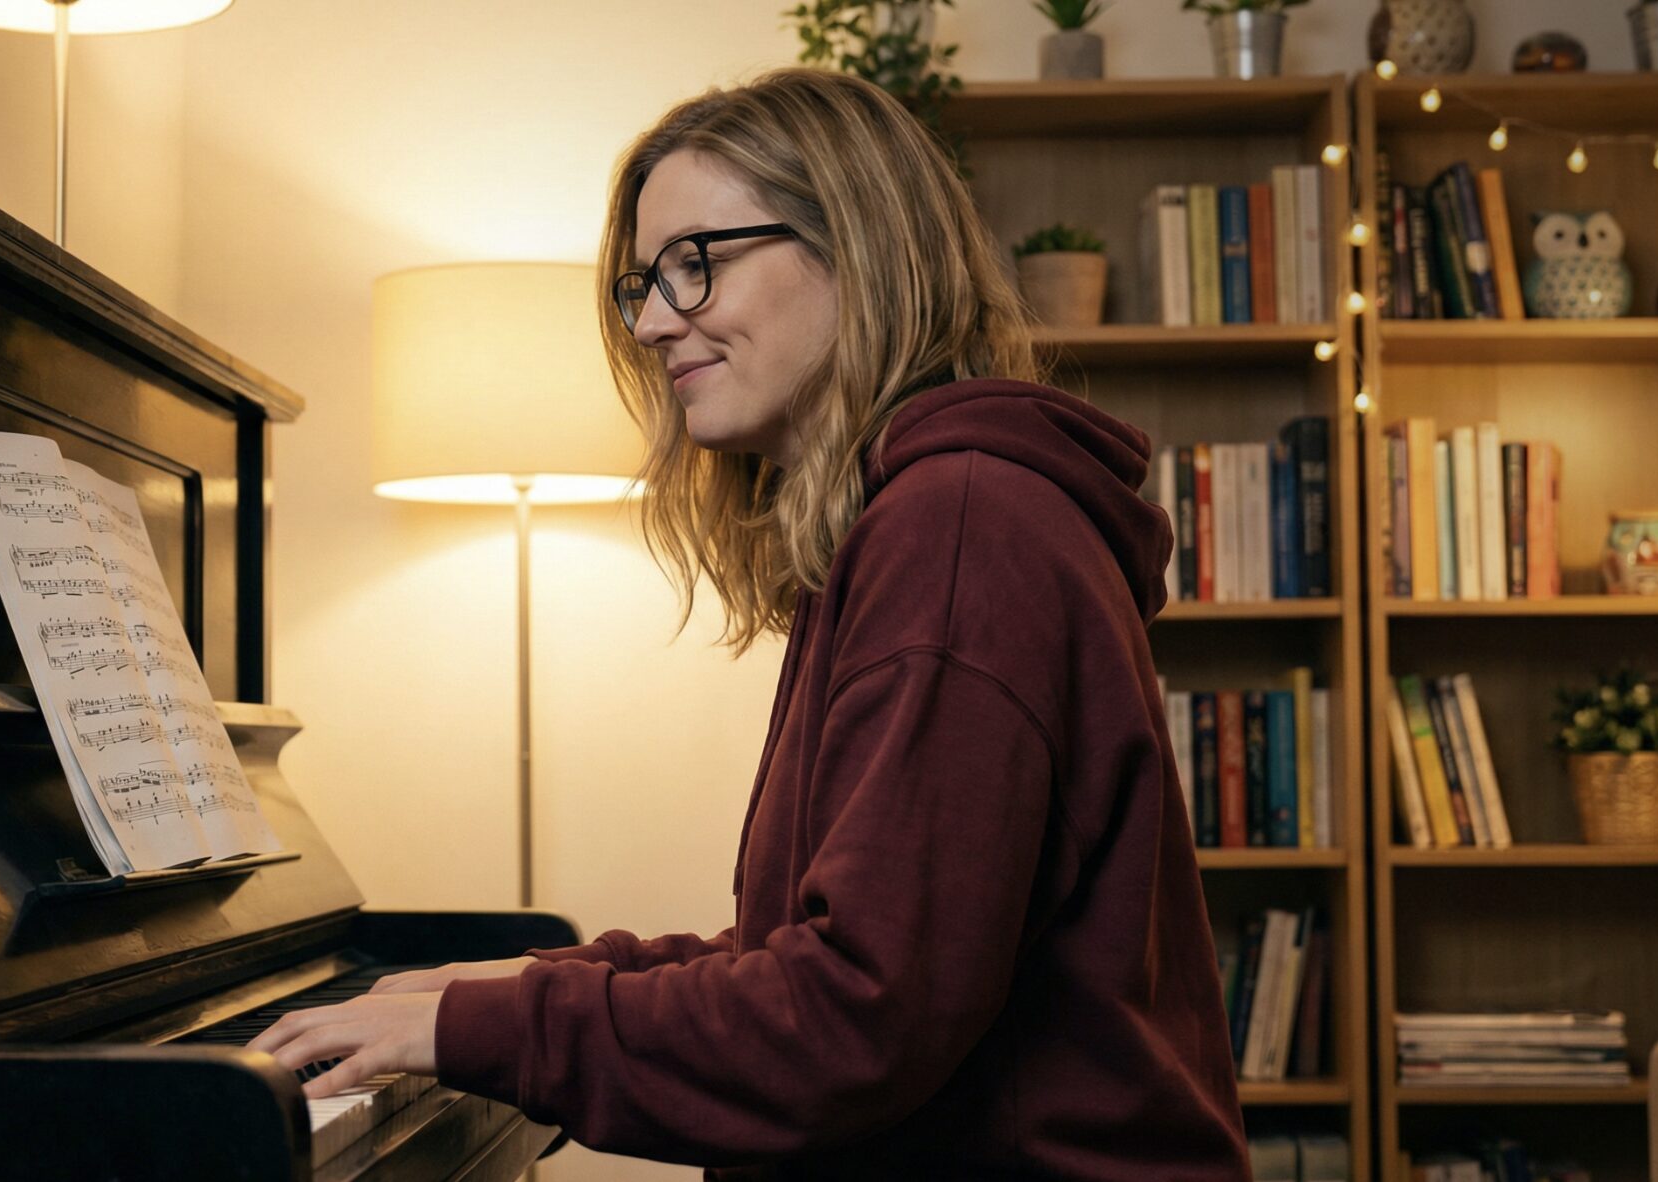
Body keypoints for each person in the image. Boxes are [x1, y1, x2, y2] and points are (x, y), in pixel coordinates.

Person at [249, 67, 1250, 1180]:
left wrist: (481, 1031)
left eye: (696, 265)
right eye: (642, 283)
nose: (653, 324)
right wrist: (522, 992)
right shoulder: (919, 518)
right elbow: (823, 953)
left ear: (856, 249)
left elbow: (850, 1022)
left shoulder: (959, 528)